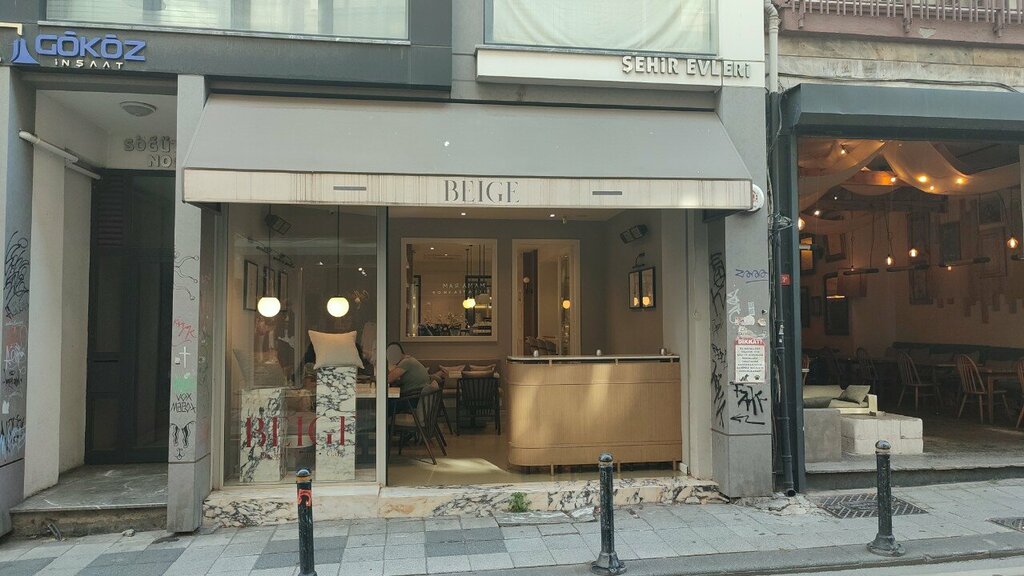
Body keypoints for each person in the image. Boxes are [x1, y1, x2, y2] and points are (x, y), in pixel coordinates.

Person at [386, 342, 429, 415]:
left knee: (384, 404)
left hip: (412, 400)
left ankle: (377, 421)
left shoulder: (406, 362)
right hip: (418, 397)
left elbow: (388, 379)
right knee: (387, 401)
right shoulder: (409, 360)